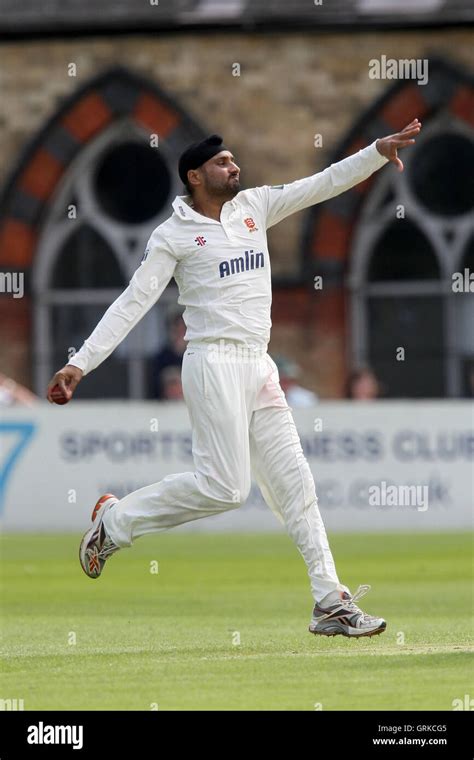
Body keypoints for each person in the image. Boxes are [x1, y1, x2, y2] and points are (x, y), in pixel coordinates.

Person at [47, 120, 422, 637]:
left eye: (233, 160)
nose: (234, 167)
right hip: (212, 362)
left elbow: (321, 184)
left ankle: (329, 601)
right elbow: (132, 303)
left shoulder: (255, 207)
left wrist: (376, 153)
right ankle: (115, 523)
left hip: (258, 363)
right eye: (223, 163)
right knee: (225, 488)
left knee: (297, 486)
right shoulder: (172, 235)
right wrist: (79, 363)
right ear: (195, 176)